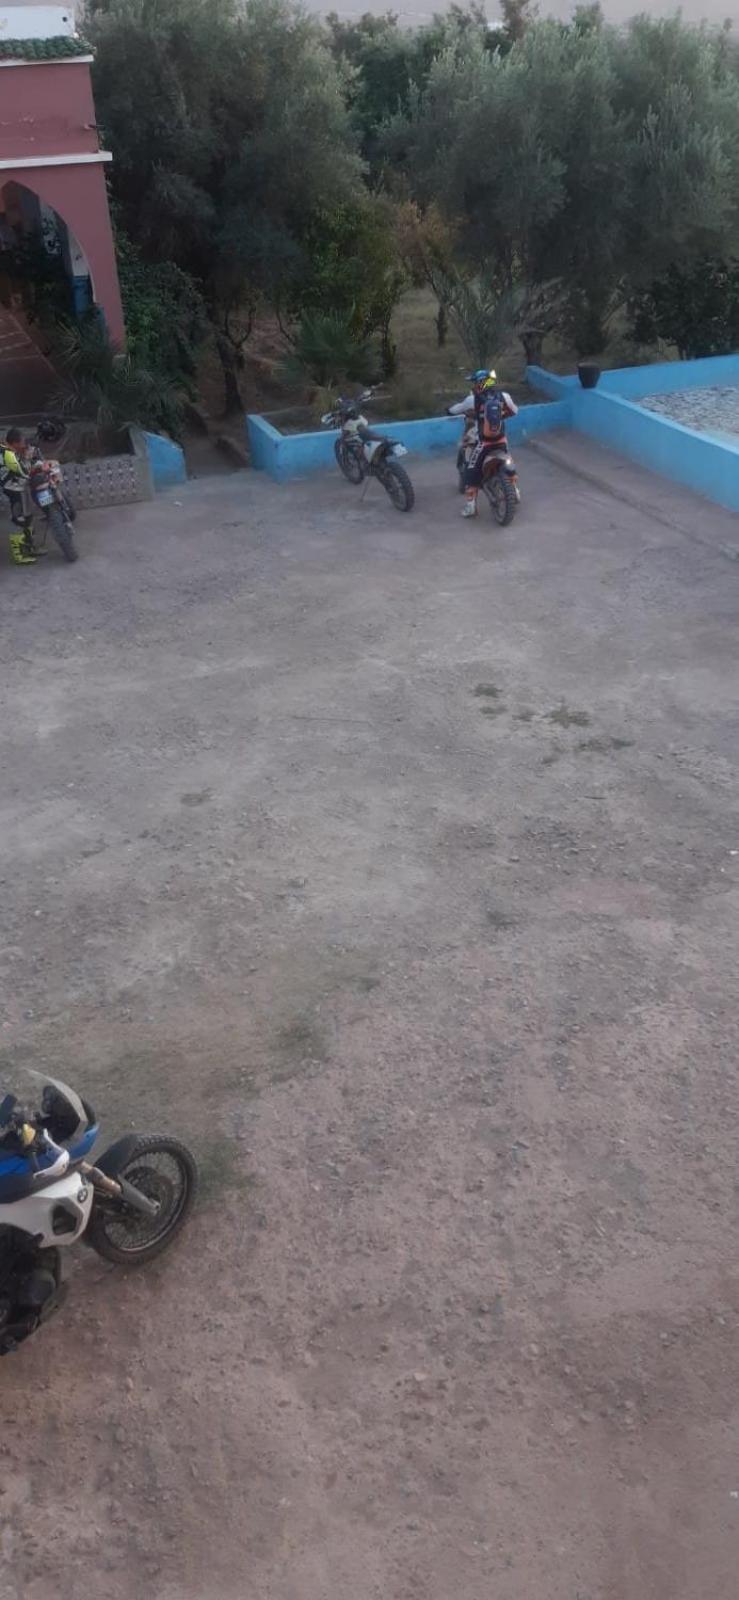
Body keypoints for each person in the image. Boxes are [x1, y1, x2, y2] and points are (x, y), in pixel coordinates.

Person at [448, 369, 518, 518]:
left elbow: (456, 410)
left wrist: (448, 410)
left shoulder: (472, 400)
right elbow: (514, 411)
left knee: (471, 472)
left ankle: (470, 507)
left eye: (475, 382)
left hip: (484, 444)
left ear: (480, 383)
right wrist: (501, 415)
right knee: (509, 463)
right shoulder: (504, 396)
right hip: (501, 441)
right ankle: (515, 491)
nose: (474, 385)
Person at [0, 428, 38, 565]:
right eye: (22, 442)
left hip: (15, 488)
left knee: (27, 518)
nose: (24, 444)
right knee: (18, 521)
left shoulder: (5, 449)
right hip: (10, 491)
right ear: (15, 443)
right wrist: (31, 462)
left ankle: (30, 547)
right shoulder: (9, 455)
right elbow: (24, 472)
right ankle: (20, 555)